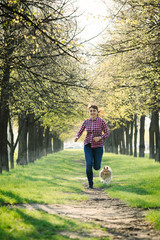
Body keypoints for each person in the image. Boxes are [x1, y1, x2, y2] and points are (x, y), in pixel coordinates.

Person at [74, 104, 109, 189]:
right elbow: (80, 131)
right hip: (88, 145)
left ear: (97, 112)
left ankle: (93, 162)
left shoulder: (101, 121)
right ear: (89, 112)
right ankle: (90, 184)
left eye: (94, 111)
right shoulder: (86, 122)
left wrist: (100, 137)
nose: (92, 112)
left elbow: (107, 133)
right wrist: (77, 137)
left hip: (98, 146)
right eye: (91, 111)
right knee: (88, 164)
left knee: (97, 167)